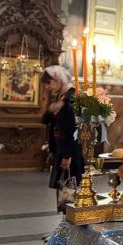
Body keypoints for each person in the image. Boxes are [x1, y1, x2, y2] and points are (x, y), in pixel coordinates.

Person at [41, 66, 83, 210]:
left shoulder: (71, 98)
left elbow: (71, 129)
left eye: (49, 83)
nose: (47, 87)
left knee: (68, 188)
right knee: (62, 187)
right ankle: (65, 217)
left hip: (69, 150)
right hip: (60, 148)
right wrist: (52, 108)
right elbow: (45, 120)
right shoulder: (60, 97)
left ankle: (68, 218)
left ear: (59, 79)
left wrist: (67, 156)